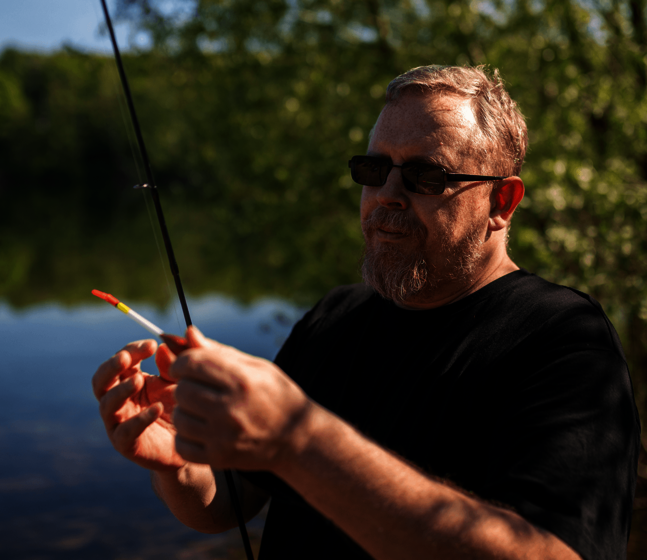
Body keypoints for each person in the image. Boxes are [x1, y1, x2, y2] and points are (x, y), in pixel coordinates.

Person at [92, 65, 641, 559]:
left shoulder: (565, 341)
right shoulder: (337, 315)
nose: (388, 195)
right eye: (373, 170)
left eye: (428, 178)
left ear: (502, 202)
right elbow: (226, 506)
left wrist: (300, 438)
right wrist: (179, 465)